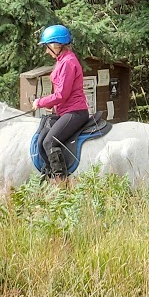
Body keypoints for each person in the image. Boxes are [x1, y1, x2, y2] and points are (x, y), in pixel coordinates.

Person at [35, 24, 89, 180]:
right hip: (65, 110)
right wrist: (51, 105)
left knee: (50, 142)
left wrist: (40, 102)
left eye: (47, 47)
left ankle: (61, 183)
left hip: (75, 112)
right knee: (43, 136)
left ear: (56, 45)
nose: (46, 51)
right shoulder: (62, 60)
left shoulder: (67, 62)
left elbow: (62, 94)